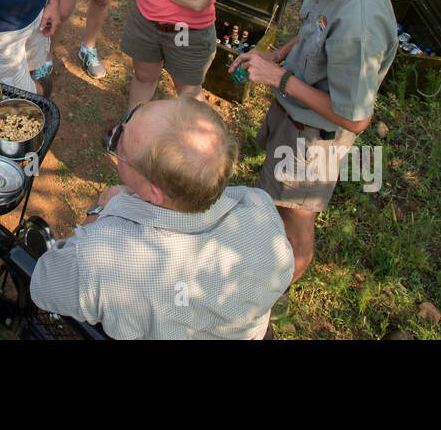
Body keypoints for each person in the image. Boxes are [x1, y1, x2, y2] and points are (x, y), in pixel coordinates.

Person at [229, 0, 398, 284]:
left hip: (314, 140)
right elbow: (313, 30)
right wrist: (278, 55)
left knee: (296, 218)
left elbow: (355, 119)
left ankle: (272, 296)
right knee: (277, 201)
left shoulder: (360, 20)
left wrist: (279, 78)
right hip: (294, 118)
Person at [30, 96, 294, 340]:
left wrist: (97, 212)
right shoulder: (260, 209)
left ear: (153, 192)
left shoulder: (102, 254)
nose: (118, 134)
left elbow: (44, 286)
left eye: (120, 143)